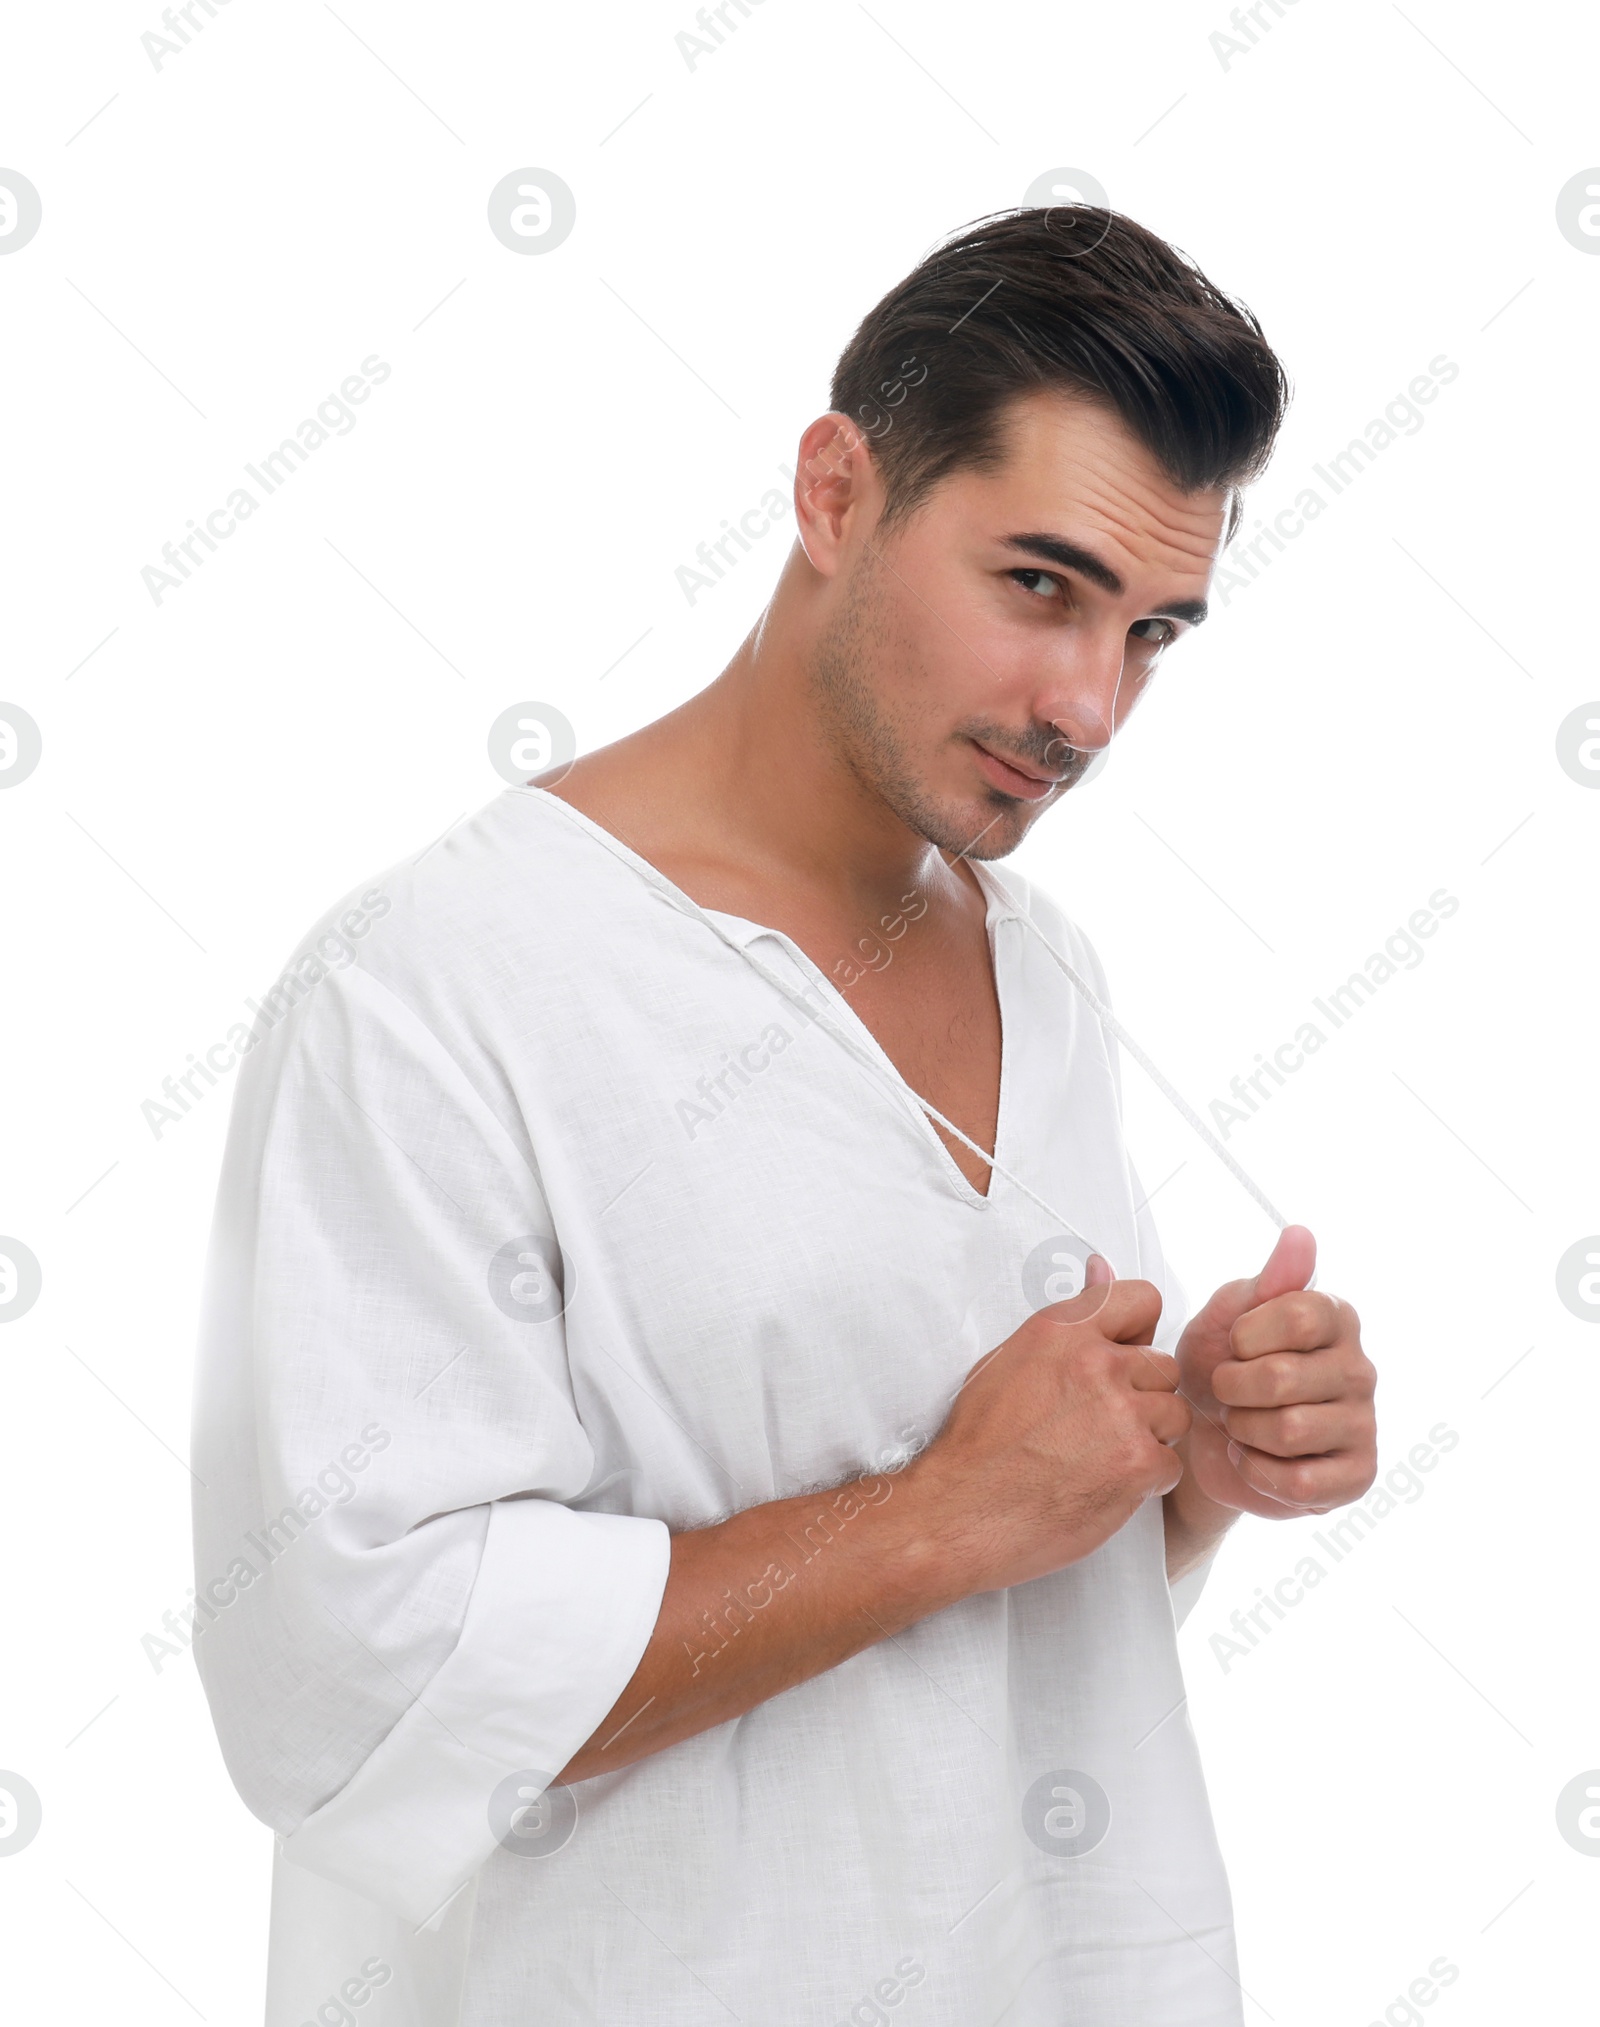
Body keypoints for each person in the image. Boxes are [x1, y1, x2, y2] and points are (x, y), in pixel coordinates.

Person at [192, 205, 1378, 2026]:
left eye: (1153, 632)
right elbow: (345, 1676)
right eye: (1039, 585)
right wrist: (949, 1510)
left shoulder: (1043, 974)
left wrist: (1187, 1474)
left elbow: (998, 1620)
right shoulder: (435, 990)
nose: (1087, 707)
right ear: (839, 494)